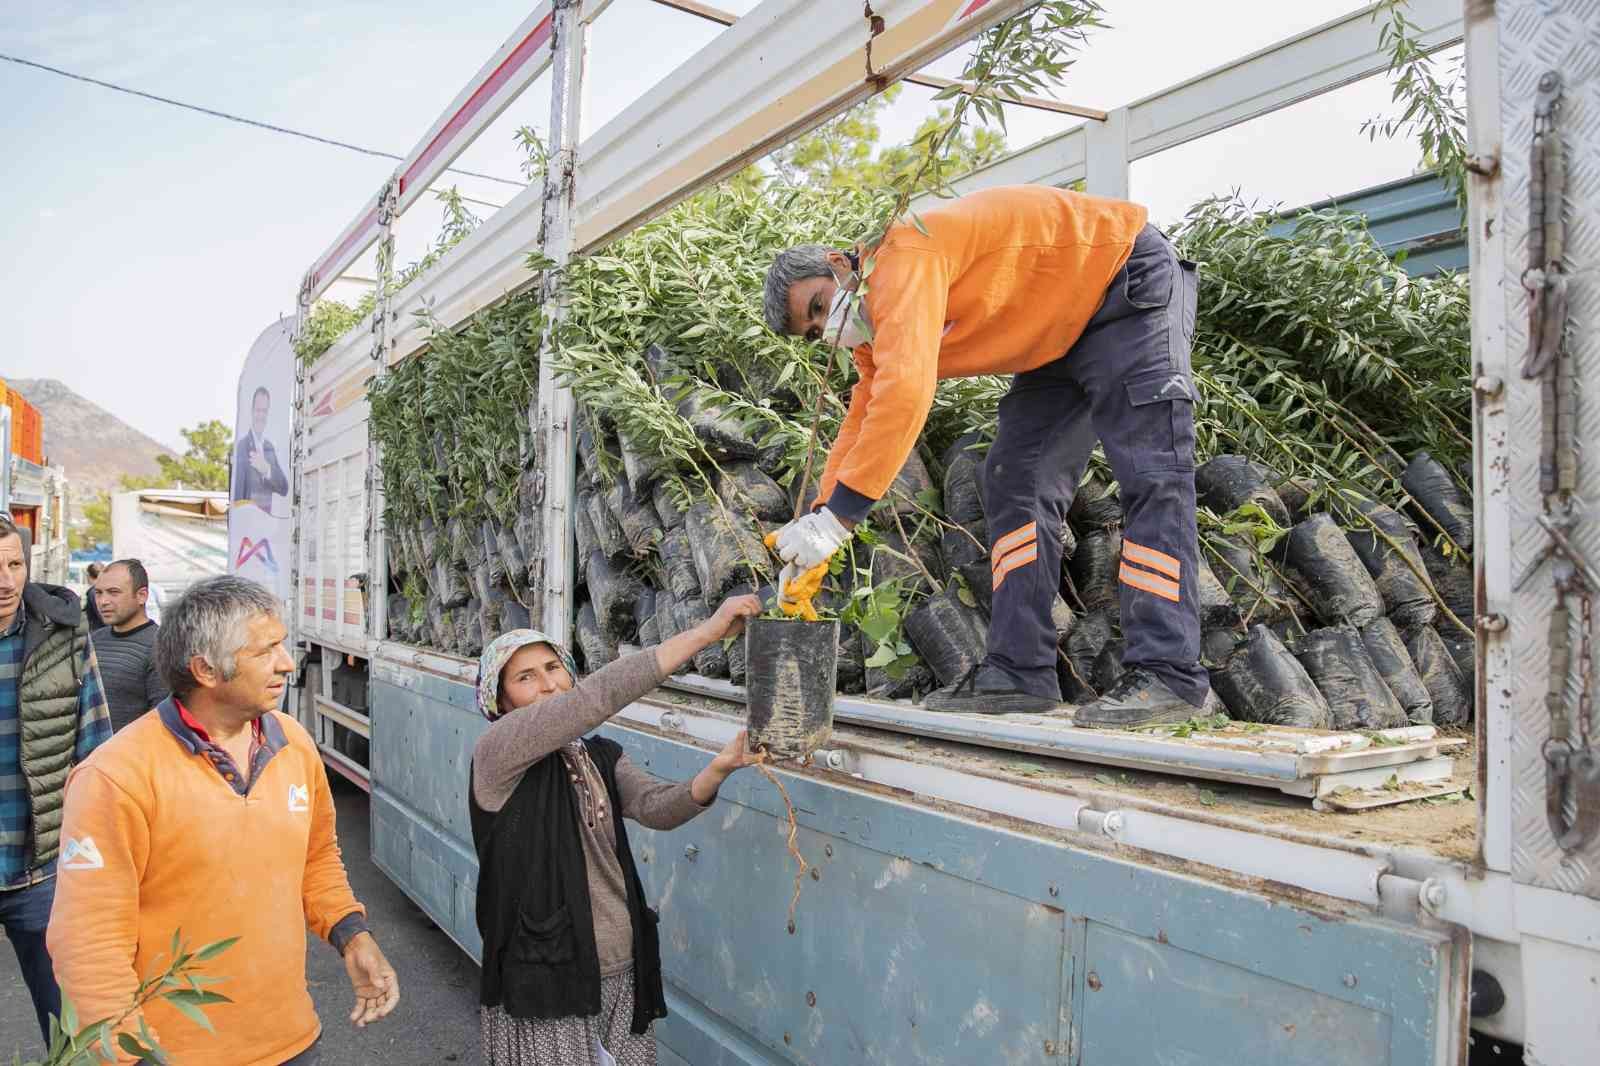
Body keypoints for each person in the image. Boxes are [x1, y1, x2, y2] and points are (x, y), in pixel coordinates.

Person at [763, 184, 1219, 727]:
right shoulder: (871, 333)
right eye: (815, 331)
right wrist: (818, 515)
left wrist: (840, 519)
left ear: (839, 263)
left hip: (1122, 281)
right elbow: (862, 418)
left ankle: (1168, 672)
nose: (827, 325)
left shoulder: (900, 258)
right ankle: (1020, 671)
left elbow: (904, 393)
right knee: (1015, 478)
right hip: (1057, 332)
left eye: (819, 305)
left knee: (1151, 471)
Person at [48, 576, 399, 1064]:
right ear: (205, 670)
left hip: (293, 1040)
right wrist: (127, 1054)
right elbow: (88, 941)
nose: (286, 663)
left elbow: (316, 858)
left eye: (283, 644)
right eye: (266, 650)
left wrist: (351, 934)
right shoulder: (115, 777)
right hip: (173, 1054)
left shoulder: (291, 742)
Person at [471, 594, 763, 1066]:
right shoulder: (498, 753)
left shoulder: (597, 754)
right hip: (548, 975)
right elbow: (596, 699)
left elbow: (656, 807)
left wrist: (719, 769)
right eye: (526, 677)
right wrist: (707, 633)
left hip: (621, 969)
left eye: (553, 667)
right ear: (500, 701)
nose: (548, 685)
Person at [0, 514, 111, 1049]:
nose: (6, 581)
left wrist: (96, 859)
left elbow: (95, 752)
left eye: (14, 564)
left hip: (38, 870)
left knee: (70, 1029)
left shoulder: (64, 634)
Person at [91, 558, 170, 732]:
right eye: (98, 593)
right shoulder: (93, 641)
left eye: (113, 592)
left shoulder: (162, 647)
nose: (103, 601)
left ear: (142, 595)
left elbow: (161, 719)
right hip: (90, 757)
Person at [233, 385, 289, 511]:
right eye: (258, 410)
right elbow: (238, 496)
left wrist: (267, 469)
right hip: (248, 523)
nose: (261, 415)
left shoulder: (269, 447)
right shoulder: (242, 446)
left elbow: (284, 488)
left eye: (264, 411)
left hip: (266, 524)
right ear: (252, 411)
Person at [84, 562, 106, 630]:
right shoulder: (104, 590)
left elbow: (102, 617)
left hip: (98, 634)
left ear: (88, 575)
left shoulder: (94, 592)